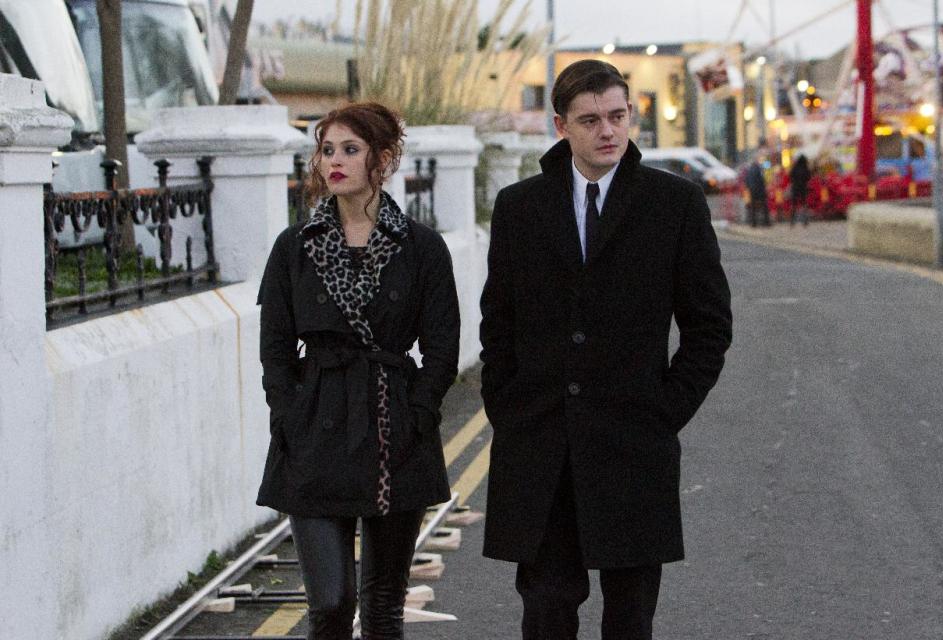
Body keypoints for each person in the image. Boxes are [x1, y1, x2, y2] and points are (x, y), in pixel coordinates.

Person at [479, 60, 733, 640]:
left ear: (631, 117)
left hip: (633, 442)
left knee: (630, 617)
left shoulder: (675, 205)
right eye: (590, 119)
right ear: (562, 125)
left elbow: (710, 327)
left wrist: (664, 410)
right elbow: (500, 322)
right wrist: (506, 406)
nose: (607, 131)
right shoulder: (520, 208)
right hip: (541, 444)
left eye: (617, 116)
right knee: (544, 609)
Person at [256, 102, 460, 640]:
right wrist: (290, 413)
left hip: (394, 424)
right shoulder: (294, 247)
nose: (335, 162)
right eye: (327, 150)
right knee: (330, 601)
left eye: (351, 149)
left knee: (383, 607)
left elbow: (442, 348)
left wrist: (418, 414)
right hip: (316, 423)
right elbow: (274, 349)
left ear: (384, 160)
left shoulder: (421, 248)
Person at [744, 152, 770, 227]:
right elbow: (761, 180)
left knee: (753, 208)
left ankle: (753, 223)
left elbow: (747, 181)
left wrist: (750, 188)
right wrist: (763, 188)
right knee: (764, 206)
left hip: (752, 191)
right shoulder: (759, 169)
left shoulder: (749, 170)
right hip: (759, 191)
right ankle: (766, 222)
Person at [788, 153, 812, 226]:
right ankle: (805, 221)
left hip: (795, 188)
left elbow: (790, 176)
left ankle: (792, 221)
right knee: (804, 204)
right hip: (803, 188)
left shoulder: (795, 167)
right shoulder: (805, 168)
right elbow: (809, 177)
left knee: (794, 205)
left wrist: (794, 181)